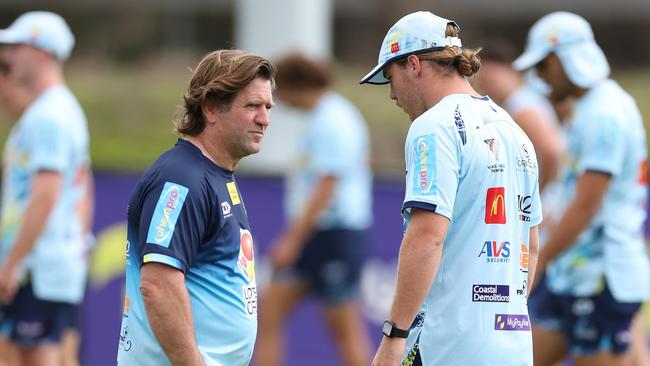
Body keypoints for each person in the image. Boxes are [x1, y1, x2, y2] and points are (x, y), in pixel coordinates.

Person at [360, 11, 542, 365]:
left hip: (449, 347)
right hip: (513, 344)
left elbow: (427, 236)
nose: (392, 94)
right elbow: (531, 246)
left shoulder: (433, 127)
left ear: (413, 64)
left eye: (390, 76)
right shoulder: (514, 129)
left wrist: (395, 336)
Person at [116, 49, 275, 365]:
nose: (264, 118)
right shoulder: (181, 179)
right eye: (253, 106)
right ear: (212, 108)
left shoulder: (214, 174)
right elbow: (158, 285)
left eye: (268, 106)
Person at [513, 11, 650, 366]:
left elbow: (586, 207)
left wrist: (536, 260)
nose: (539, 78)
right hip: (575, 276)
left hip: (599, 279)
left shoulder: (604, 115)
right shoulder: (592, 108)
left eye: (542, 66)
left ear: (562, 59)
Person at [255, 53, 373, 366]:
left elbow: (326, 187)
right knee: (268, 313)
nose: (276, 101)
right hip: (316, 235)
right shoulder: (320, 118)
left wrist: (292, 240)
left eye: (278, 91)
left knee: (344, 328)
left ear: (296, 86)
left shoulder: (334, 120)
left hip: (335, 235)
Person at [0, 12, 93, 366]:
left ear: (41, 53)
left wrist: (13, 264)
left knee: (38, 356)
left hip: (37, 268)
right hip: (46, 264)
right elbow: (84, 186)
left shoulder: (49, 116)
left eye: (16, 47)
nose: (8, 56)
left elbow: (46, 194)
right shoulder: (58, 109)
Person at [474, 39, 564, 192]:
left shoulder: (521, 106)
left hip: (545, 201)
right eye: (483, 83)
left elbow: (551, 152)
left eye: (491, 81)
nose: (488, 89)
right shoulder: (519, 102)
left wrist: (537, 194)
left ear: (512, 71)